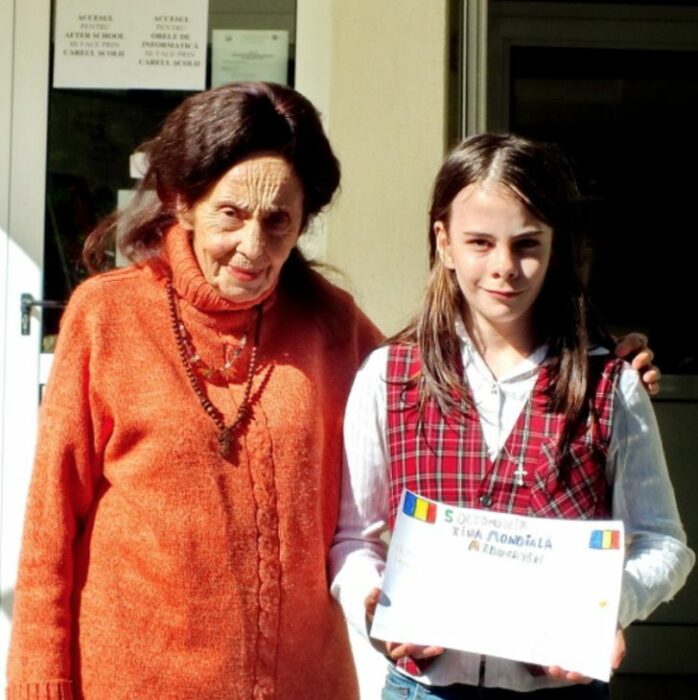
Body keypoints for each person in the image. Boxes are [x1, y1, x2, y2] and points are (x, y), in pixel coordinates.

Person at [6, 81, 384, 698]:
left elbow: (440, 426)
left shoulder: (333, 327)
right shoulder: (107, 316)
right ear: (183, 202)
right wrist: (40, 686)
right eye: (231, 214)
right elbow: (50, 528)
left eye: (278, 221)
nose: (254, 248)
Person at [329, 133, 694, 699]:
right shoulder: (388, 376)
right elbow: (356, 537)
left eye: (527, 244)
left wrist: (602, 608)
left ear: (555, 249)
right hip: (425, 689)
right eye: (480, 242)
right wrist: (375, 602)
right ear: (444, 243)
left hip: (559, 691)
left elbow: (663, 541)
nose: (504, 267)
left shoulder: (610, 385)